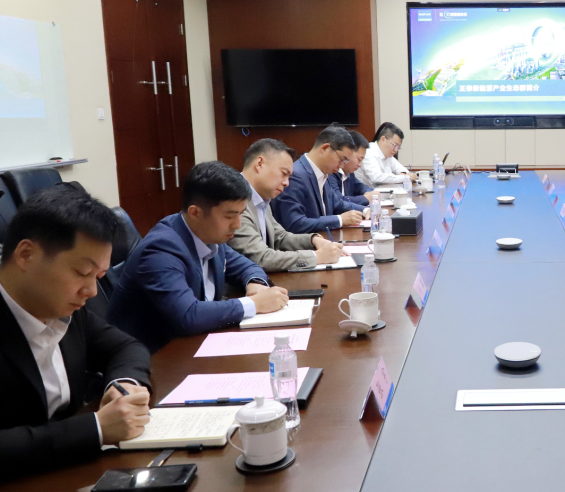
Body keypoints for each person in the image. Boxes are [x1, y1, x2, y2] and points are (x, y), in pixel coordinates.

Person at [0, 186, 152, 479]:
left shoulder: (65, 307)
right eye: (82, 273)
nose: (92, 291)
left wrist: (123, 384)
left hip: (74, 478)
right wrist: (95, 428)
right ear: (26, 254)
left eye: (99, 277)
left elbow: (125, 347)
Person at [109, 162, 290, 351]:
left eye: (241, 214)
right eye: (229, 216)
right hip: (157, 356)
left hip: (197, 344)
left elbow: (247, 266)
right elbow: (188, 315)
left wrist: (255, 283)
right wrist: (253, 303)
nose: (237, 225)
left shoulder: (209, 235)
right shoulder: (160, 250)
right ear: (195, 212)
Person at [229, 138, 347, 272]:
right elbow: (261, 258)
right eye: (284, 174)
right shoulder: (234, 199)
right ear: (259, 164)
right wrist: (316, 256)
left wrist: (313, 240)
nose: (287, 183)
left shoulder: (261, 197)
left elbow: (280, 237)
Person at [271, 125, 370, 234]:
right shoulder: (295, 175)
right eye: (342, 159)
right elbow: (295, 223)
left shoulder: (323, 172)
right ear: (325, 148)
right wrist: (339, 220)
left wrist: (365, 211)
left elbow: (338, 204)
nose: (341, 166)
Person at [357, 122, 417, 187]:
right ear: (383, 139)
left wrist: (404, 174)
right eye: (395, 145)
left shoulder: (387, 155)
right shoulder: (369, 151)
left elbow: (400, 168)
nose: (396, 150)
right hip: (365, 192)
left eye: (398, 147)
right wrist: (404, 177)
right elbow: (376, 177)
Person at [328, 131, 377, 206]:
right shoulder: (331, 172)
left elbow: (359, 186)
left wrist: (370, 193)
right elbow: (338, 201)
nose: (360, 165)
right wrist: (366, 199)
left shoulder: (349, 172)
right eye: (359, 159)